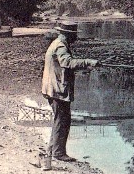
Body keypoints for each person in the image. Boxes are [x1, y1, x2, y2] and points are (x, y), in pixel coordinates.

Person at [41, 21, 99, 162]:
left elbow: (65, 66)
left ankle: (52, 149)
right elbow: (67, 63)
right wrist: (87, 62)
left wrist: (84, 69)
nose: (76, 38)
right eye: (74, 35)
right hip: (56, 89)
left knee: (59, 120)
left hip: (52, 87)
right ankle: (58, 153)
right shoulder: (61, 46)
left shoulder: (57, 43)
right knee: (62, 120)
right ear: (68, 35)